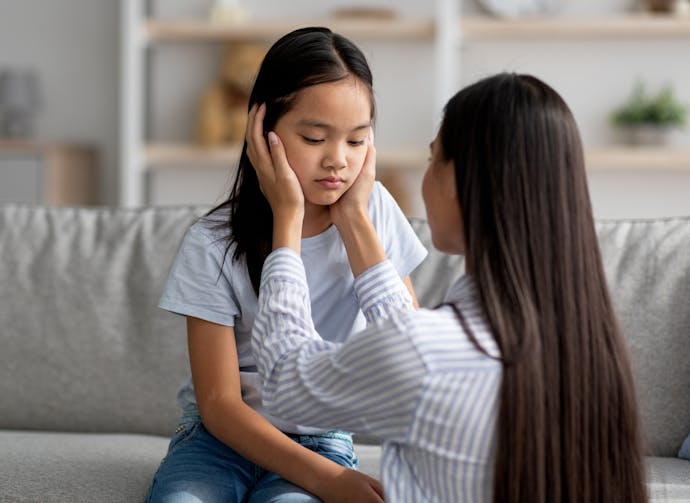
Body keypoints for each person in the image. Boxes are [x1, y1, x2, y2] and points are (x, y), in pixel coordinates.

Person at [248, 73, 647, 502]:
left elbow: (285, 385)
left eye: (433, 160)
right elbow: (409, 350)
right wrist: (354, 219)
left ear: (464, 183)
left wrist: (286, 220)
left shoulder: (425, 351)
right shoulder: (590, 346)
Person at [147, 27, 428, 502]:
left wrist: (355, 218)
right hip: (219, 441)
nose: (338, 160)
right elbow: (218, 405)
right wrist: (288, 217)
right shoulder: (212, 242)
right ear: (263, 129)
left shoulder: (375, 213)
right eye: (315, 137)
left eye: (357, 141)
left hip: (322, 437)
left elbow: (411, 350)